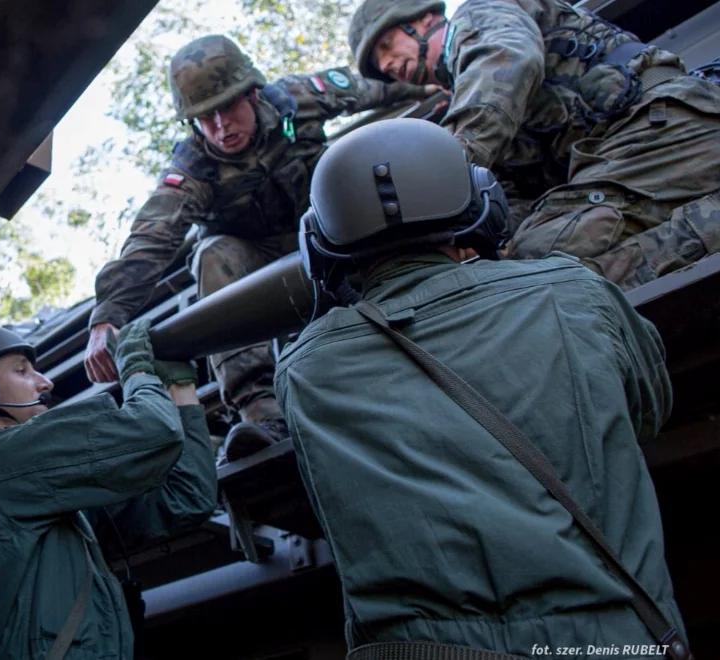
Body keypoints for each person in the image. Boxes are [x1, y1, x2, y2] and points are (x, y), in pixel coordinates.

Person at [282, 118, 689, 658]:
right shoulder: (573, 290)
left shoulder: (303, 370)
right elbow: (646, 411)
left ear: (319, 247)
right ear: (485, 204)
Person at [85, 34, 434, 460]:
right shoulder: (193, 168)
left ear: (252, 93)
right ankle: (261, 412)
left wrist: (434, 87)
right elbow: (152, 236)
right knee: (211, 252)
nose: (220, 127)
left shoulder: (296, 98)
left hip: (328, 233)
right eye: (204, 118)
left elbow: (371, 90)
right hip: (256, 261)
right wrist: (107, 317)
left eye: (227, 108)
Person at [347, 0, 720, 290]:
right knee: (527, 278)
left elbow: (508, 61)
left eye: (386, 45)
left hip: (664, 123)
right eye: (381, 67)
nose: (389, 64)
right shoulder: (472, 103)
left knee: (542, 256)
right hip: (626, 158)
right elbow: (514, 203)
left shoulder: (481, 15)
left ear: (424, 19)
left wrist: (435, 184)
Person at [0, 322, 216, 659]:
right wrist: (135, 368)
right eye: (22, 371)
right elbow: (154, 431)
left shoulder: (47, 497)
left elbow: (186, 499)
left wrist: (181, 388)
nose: (46, 382)